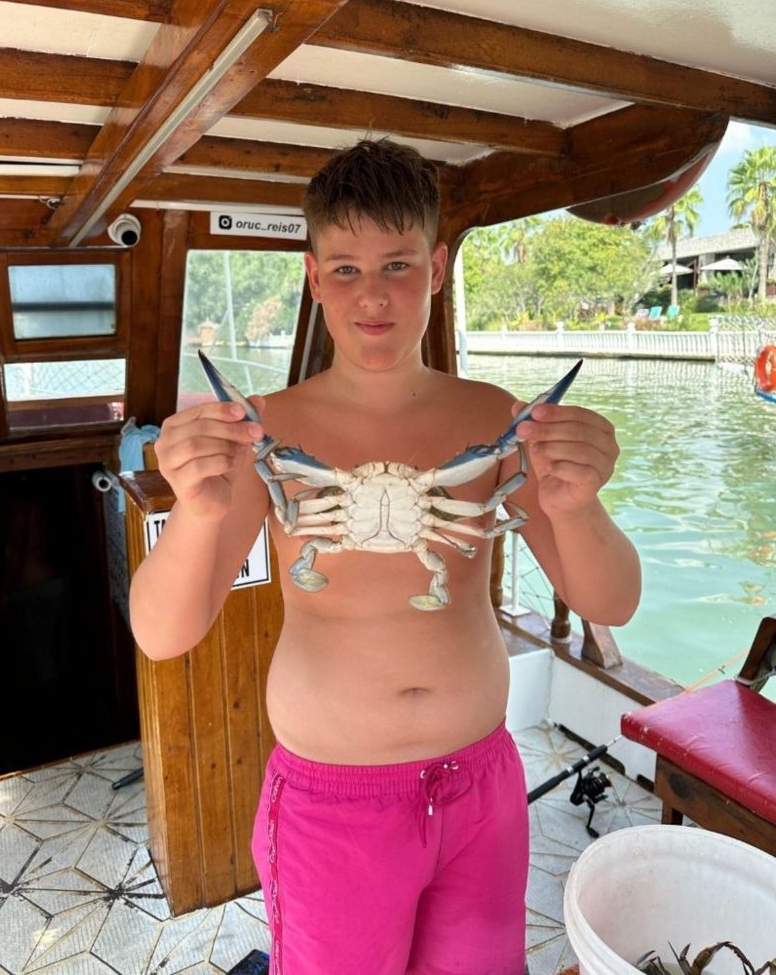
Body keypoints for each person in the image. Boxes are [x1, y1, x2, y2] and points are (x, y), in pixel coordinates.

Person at [129, 138, 641, 975]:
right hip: (333, 802)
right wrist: (197, 510)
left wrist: (575, 505)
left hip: (481, 785)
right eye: (345, 270)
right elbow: (162, 633)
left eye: (398, 265)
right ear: (311, 275)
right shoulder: (268, 435)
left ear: (437, 268)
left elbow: (610, 601)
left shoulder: (499, 425)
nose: (374, 296)